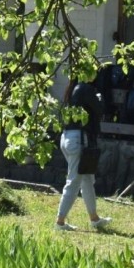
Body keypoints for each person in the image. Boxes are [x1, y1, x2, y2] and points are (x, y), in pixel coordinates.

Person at [55, 77, 112, 231]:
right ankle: (60, 222)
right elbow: (100, 109)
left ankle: (94, 218)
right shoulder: (84, 88)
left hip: (67, 137)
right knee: (74, 181)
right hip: (78, 139)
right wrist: (100, 97)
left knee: (86, 179)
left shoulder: (71, 88)